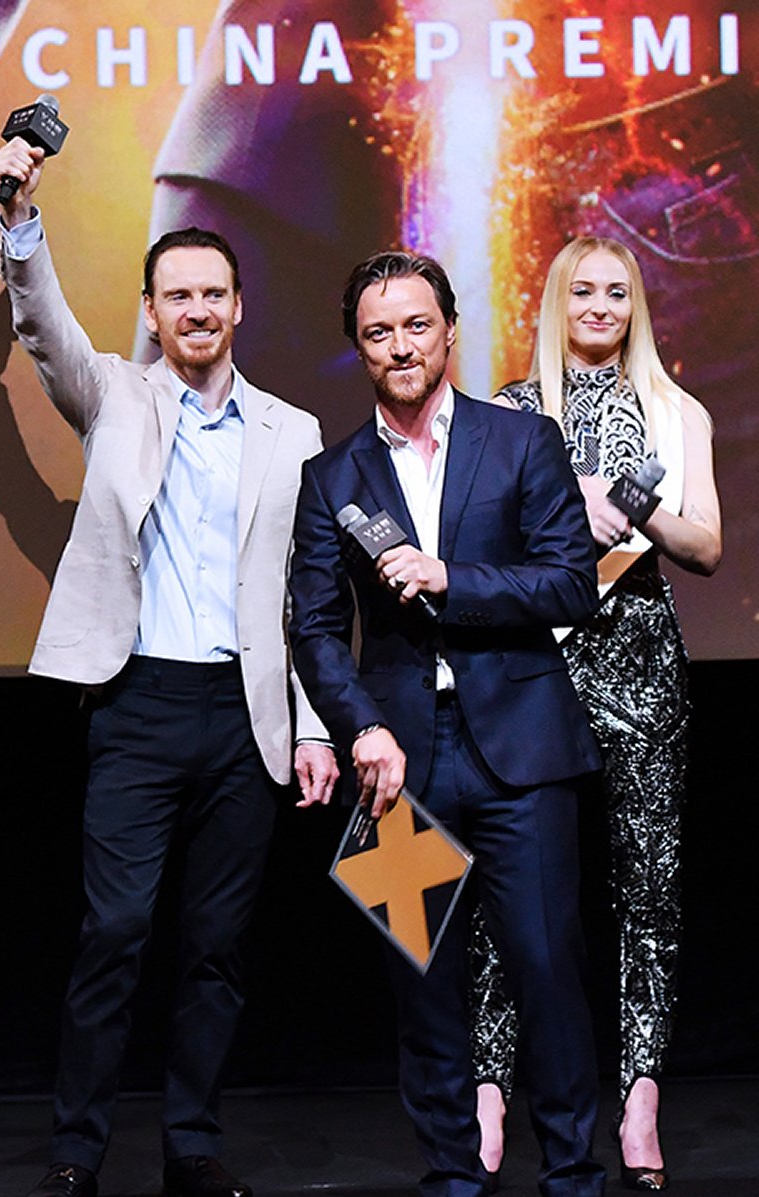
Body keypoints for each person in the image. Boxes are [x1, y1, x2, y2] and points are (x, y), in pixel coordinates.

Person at [0, 135, 338, 1197]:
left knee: (217, 944)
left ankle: (192, 1143)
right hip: (138, 702)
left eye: (212, 294)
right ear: (150, 310)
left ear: (238, 308)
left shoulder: (292, 431)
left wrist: (314, 725)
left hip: (244, 712)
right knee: (116, 931)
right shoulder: (114, 396)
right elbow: (44, 327)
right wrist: (19, 220)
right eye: (176, 294)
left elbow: (304, 601)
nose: (195, 310)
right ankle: (76, 1149)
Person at [288, 249, 608, 1197]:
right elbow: (313, 627)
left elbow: (571, 583)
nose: (401, 346)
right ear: (359, 348)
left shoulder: (522, 441)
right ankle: (452, 1176)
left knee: (547, 968)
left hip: (521, 750)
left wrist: (448, 578)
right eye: (379, 332)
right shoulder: (331, 475)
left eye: (417, 325)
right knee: (421, 984)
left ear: (451, 331)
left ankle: (573, 1171)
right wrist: (358, 727)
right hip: (396, 762)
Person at [472, 236, 722, 1191]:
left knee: (647, 890)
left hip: (643, 667)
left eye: (618, 292)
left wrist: (634, 506)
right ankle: (490, 1093)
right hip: (535, 662)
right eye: (583, 290)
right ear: (556, 299)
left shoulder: (677, 411)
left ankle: (640, 1099)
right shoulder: (510, 411)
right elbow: (477, 539)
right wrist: (565, 500)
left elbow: (706, 546)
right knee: (512, 889)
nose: (601, 306)